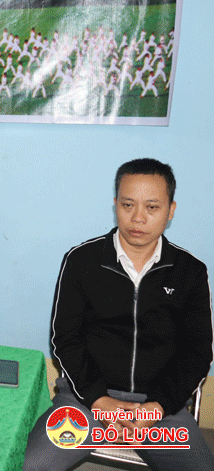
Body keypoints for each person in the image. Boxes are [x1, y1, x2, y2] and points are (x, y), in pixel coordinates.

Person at [23, 158, 214, 471]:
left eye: (152, 207)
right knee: (32, 466)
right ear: (115, 205)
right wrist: (100, 401)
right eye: (128, 205)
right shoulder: (82, 260)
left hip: (160, 411)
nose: (137, 217)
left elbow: (197, 352)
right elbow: (65, 340)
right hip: (85, 401)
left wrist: (157, 407)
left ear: (170, 210)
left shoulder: (189, 272)